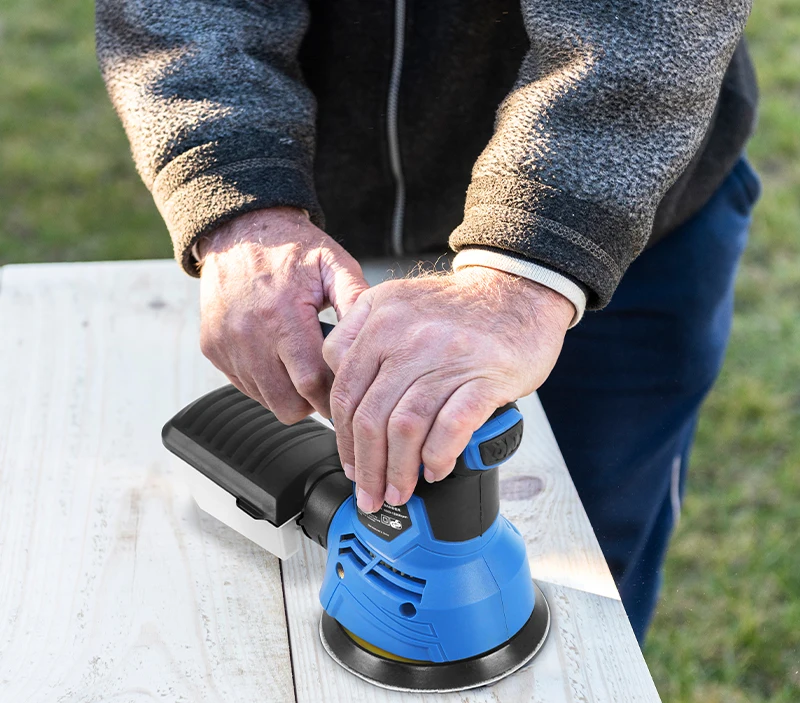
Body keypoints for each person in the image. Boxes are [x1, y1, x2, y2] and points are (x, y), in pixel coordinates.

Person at [96, 0, 759, 641]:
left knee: (602, 571)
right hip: (315, 221)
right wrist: (235, 191)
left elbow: (646, 22)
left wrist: (530, 265)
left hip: (605, 227)